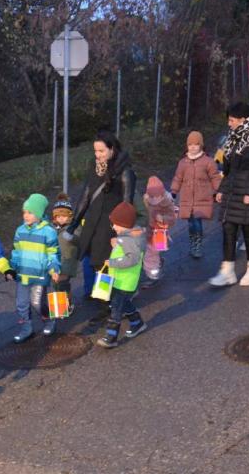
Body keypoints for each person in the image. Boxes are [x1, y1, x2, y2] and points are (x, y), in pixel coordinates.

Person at [208, 102, 249, 288]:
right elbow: (229, 169)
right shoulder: (234, 136)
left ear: (243, 120)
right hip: (233, 190)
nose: (229, 124)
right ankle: (227, 270)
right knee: (228, 229)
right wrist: (221, 189)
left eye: (232, 120)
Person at [66, 132, 136, 303]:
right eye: (95, 151)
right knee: (93, 260)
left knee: (105, 261)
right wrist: (74, 223)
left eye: (101, 151)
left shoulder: (125, 172)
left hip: (111, 225)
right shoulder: (94, 167)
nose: (98, 155)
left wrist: (123, 233)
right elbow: (86, 195)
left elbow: (127, 205)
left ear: (112, 149)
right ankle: (101, 296)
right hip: (92, 222)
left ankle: (115, 302)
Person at [9, 193, 60, 343]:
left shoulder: (49, 232)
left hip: (40, 275)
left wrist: (54, 268)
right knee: (21, 304)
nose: (26, 215)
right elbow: (16, 251)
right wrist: (13, 267)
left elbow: (53, 253)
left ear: (39, 213)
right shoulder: (20, 231)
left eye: (30, 212)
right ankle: (26, 328)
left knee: (37, 303)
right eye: (24, 212)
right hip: (23, 275)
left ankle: (49, 320)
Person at [96, 202, 147, 348]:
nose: (114, 227)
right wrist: (117, 243)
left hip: (124, 281)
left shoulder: (128, 240)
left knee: (116, 309)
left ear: (124, 224)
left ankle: (111, 337)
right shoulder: (129, 237)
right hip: (122, 280)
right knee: (124, 304)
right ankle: (137, 323)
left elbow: (132, 258)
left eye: (116, 225)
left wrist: (113, 262)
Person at [171, 131, 222, 259]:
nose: (193, 147)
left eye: (196, 144)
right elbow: (178, 178)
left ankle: (197, 245)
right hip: (187, 198)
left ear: (201, 145)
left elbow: (215, 177)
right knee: (191, 223)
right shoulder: (183, 162)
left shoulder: (208, 161)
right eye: (190, 145)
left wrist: (219, 191)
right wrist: (173, 192)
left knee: (197, 221)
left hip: (202, 197)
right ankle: (193, 242)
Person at [141, 176, 176, 288]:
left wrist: (163, 218)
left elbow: (172, 217)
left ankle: (153, 276)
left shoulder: (166, 201)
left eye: (157, 196)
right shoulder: (145, 200)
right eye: (152, 196)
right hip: (147, 230)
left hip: (159, 233)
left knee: (151, 253)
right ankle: (157, 264)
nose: (155, 199)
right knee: (149, 252)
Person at [50, 194, 79, 309]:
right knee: (56, 284)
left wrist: (72, 237)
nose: (61, 218)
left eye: (64, 215)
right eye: (58, 216)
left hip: (68, 260)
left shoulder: (73, 228)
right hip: (55, 261)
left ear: (70, 216)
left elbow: (79, 238)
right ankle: (60, 307)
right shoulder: (52, 228)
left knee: (62, 284)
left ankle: (67, 305)